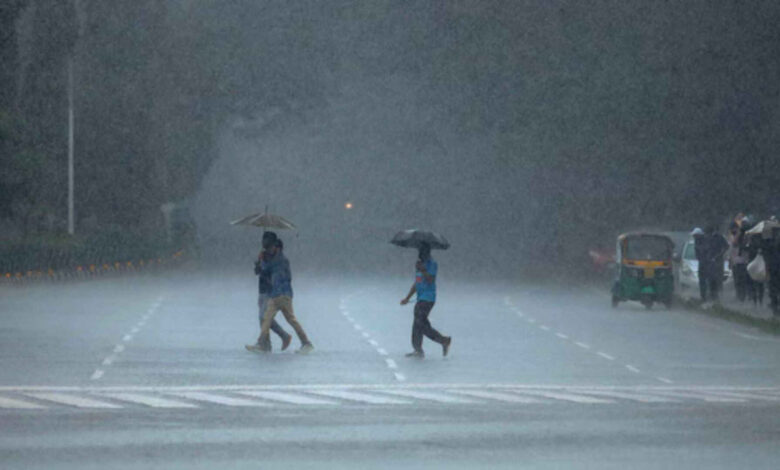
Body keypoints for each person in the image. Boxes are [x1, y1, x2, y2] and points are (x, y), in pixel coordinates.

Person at [257, 238, 314, 353]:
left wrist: (262, 261)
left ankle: (306, 343)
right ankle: (262, 343)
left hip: (283, 295)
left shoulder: (280, 260)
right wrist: (261, 262)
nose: (269, 250)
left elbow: (267, 268)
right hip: (276, 295)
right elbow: (265, 271)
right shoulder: (278, 259)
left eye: (271, 248)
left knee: (290, 320)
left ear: (277, 248)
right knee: (266, 318)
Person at [399, 242, 451, 358]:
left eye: (422, 252)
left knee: (420, 324)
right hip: (421, 298)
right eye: (419, 252)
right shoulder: (420, 264)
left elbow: (431, 280)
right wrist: (407, 298)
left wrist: (422, 270)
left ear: (427, 252)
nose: (420, 254)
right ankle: (420, 348)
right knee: (419, 324)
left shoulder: (432, 264)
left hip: (428, 299)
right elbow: (417, 283)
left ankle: (442, 341)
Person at [246, 231, 292, 352]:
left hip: (271, 290)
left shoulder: (277, 258)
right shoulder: (263, 255)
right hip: (262, 289)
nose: (265, 246)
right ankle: (270, 342)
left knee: (263, 317)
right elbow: (259, 272)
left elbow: (273, 273)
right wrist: (258, 267)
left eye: (268, 243)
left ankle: (264, 342)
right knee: (263, 317)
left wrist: (264, 269)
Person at [704, 225, 729, 302]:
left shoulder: (719, 237)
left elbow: (726, 246)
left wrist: (719, 255)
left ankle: (718, 297)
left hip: (718, 261)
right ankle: (712, 295)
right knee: (710, 279)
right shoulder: (707, 238)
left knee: (717, 279)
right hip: (709, 261)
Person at [692, 227, 709, 302]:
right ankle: (703, 296)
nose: (694, 237)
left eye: (695, 235)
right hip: (701, 263)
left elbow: (704, 251)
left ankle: (706, 296)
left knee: (706, 280)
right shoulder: (697, 242)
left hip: (707, 263)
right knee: (702, 280)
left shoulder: (704, 241)